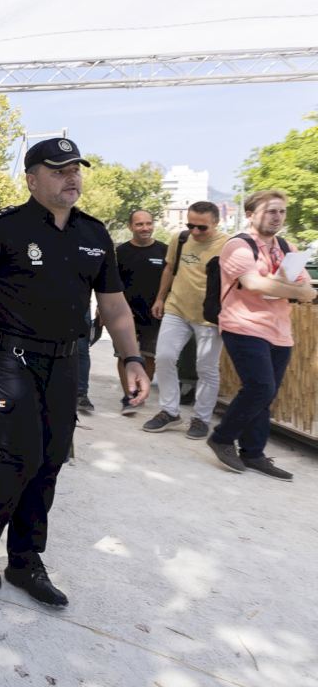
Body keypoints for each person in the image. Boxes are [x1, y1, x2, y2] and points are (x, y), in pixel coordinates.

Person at [0, 137, 150, 609]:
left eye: (75, 169)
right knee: (21, 454)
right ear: (32, 179)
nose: (71, 177)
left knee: (52, 458)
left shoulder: (94, 233)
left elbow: (114, 305)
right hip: (10, 358)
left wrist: (131, 358)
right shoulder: (4, 228)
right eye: (59, 170)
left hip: (65, 360)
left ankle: (24, 559)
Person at [207, 190, 316, 480]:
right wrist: (291, 289)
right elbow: (254, 284)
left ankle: (253, 453)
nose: (277, 216)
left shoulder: (287, 247)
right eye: (270, 211)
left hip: (280, 330)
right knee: (260, 388)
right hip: (243, 325)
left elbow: (307, 290)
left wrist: (283, 288)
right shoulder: (238, 246)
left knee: (266, 396)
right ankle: (221, 437)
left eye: (281, 211)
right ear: (250, 214)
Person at [142, 201, 229, 439]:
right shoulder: (180, 239)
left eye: (202, 227)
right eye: (191, 226)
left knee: (206, 367)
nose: (195, 232)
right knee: (164, 357)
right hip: (177, 308)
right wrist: (160, 298)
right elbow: (169, 269)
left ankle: (201, 418)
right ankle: (170, 411)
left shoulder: (228, 245)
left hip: (209, 316)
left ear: (216, 222)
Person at [111, 210, 167, 415]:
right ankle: (129, 395)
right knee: (124, 355)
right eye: (139, 224)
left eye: (148, 223)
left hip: (154, 315)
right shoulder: (121, 252)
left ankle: (139, 393)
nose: (145, 228)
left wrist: (162, 301)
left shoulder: (164, 250)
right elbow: (112, 284)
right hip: (125, 314)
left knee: (150, 357)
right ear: (130, 227)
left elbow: (170, 281)